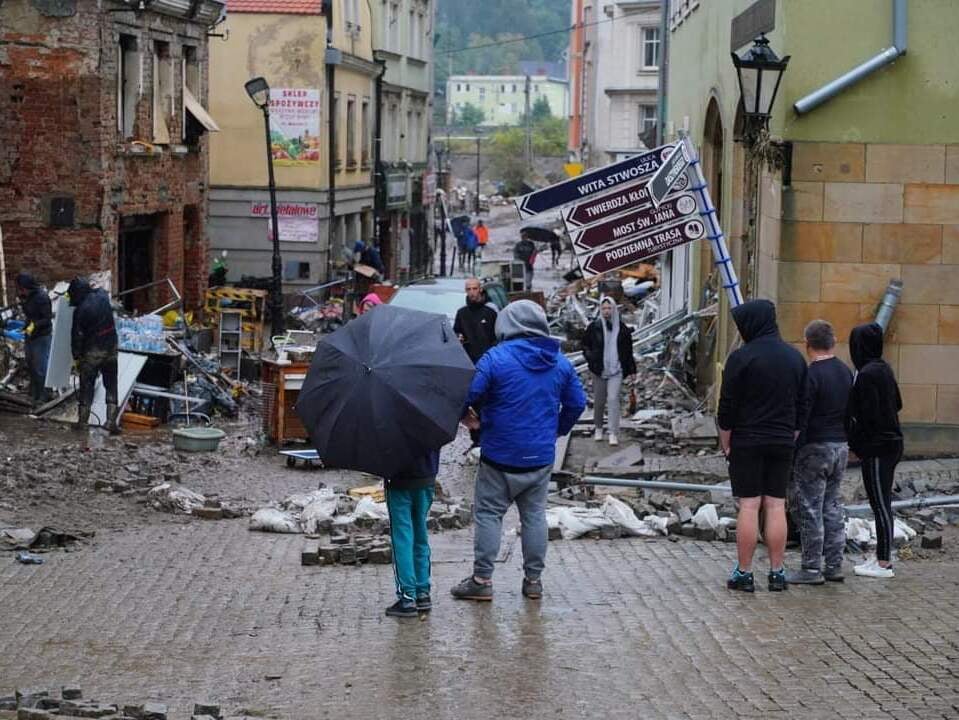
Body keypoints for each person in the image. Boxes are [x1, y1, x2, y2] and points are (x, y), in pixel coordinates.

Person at [451, 300, 586, 602]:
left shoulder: (494, 358)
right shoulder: (560, 362)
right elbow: (577, 403)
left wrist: (465, 416)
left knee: (489, 515)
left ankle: (482, 581)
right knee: (535, 517)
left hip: (499, 455)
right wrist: (557, 430)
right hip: (540, 457)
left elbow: (467, 393)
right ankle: (533, 581)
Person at [718, 299, 807, 593]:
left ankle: (744, 573)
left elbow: (726, 408)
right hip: (782, 441)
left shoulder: (741, 358)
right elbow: (803, 405)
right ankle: (777, 572)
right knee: (776, 504)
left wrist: (727, 444)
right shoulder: (794, 358)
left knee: (749, 504)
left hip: (747, 440)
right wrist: (791, 435)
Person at [786, 320, 853, 585]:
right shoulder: (845, 372)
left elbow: (802, 415)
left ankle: (811, 567)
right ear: (833, 342)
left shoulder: (810, 375)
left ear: (807, 344)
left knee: (810, 508)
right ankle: (834, 565)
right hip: (840, 445)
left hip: (815, 447)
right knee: (832, 505)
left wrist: (793, 445)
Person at [846, 322, 903, 580]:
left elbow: (865, 417)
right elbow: (898, 403)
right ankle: (882, 555)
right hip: (891, 443)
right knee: (882, 503)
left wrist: (857, 445)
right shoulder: (884, 369)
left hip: (878, 447)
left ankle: (883, 562)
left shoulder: (867, 375)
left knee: (880, 504)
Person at [384, 448, 441, 618]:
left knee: (402, 537)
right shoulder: (433, 428)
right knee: (420, 533)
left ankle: (407, 597)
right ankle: (423, 592)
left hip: (399, 479)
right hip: (427, 475)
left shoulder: (387, 428)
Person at [580, 296, 636, 446]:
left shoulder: (622, 329)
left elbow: (628, 351)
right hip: (599, 369)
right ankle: (598, 428)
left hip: (616, 370)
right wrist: (591, 358)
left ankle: (613, 432)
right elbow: (584, 345)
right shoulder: (594, 327)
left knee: (613, 399)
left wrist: (632, 370)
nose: (606, 311)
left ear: (614, 309)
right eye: (603, 308)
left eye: (609, 308)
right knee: (599, 401)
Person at [68, 276, 119, 434]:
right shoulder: (103, 296)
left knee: (87, 385)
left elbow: (77, 336)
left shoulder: (80, 310)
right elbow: (100, 289)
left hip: (93, 351)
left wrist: (76, 356)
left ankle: (83, 422)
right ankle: (111, 422)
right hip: (111, 347)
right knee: (111, 384)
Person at [15, 272, 53, 406]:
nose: (21, 291)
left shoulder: (42, 297)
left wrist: (34, 325)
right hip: (30, 334)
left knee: (40, 366)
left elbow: (47, 318)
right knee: (30, 363)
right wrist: (26, 326)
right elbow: (29, 314)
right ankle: (35, 391)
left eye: (22, 289)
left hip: (42, 335)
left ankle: (44, 394)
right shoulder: (27, 297)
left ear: (28, 287)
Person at [453, 278, 498, 364]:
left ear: (480, 289)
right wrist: (459, 336)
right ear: (466, 291)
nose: (472, 292)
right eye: (469, 289)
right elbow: (456, 332)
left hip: (488, 359)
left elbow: (497, 336)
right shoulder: (461, 313)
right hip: (468, 360)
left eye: (474, 288)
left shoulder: (491, 311)